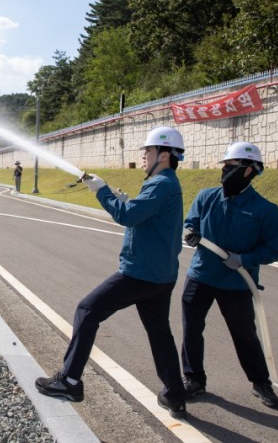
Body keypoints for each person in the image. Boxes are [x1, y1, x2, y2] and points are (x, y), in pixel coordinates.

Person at [35, 126, 188, 419]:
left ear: (165, 154)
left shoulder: (161, 184)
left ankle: (69, 381)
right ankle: (174, 395)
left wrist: (102, 191)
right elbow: (140, 215)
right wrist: (126, 199)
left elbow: (127, 216)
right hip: (161, 275)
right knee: (159, 333)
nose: (143, 155)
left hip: (140, 273)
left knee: (87, 310)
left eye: (148, 150)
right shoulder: (165, 182)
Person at [181, 141, 278, 409]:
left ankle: (260, 382)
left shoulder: (266, 210)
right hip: (201, 276)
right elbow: (191, 221)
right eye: (225, 166)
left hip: (237, 282)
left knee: (244, 334)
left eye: (232, 167)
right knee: (192, 329)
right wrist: (191, 231)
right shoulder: (206, 197)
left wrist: (244, 260)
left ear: (250, 171)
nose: (225, 171)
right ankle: (193, 379)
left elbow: (275, 248)